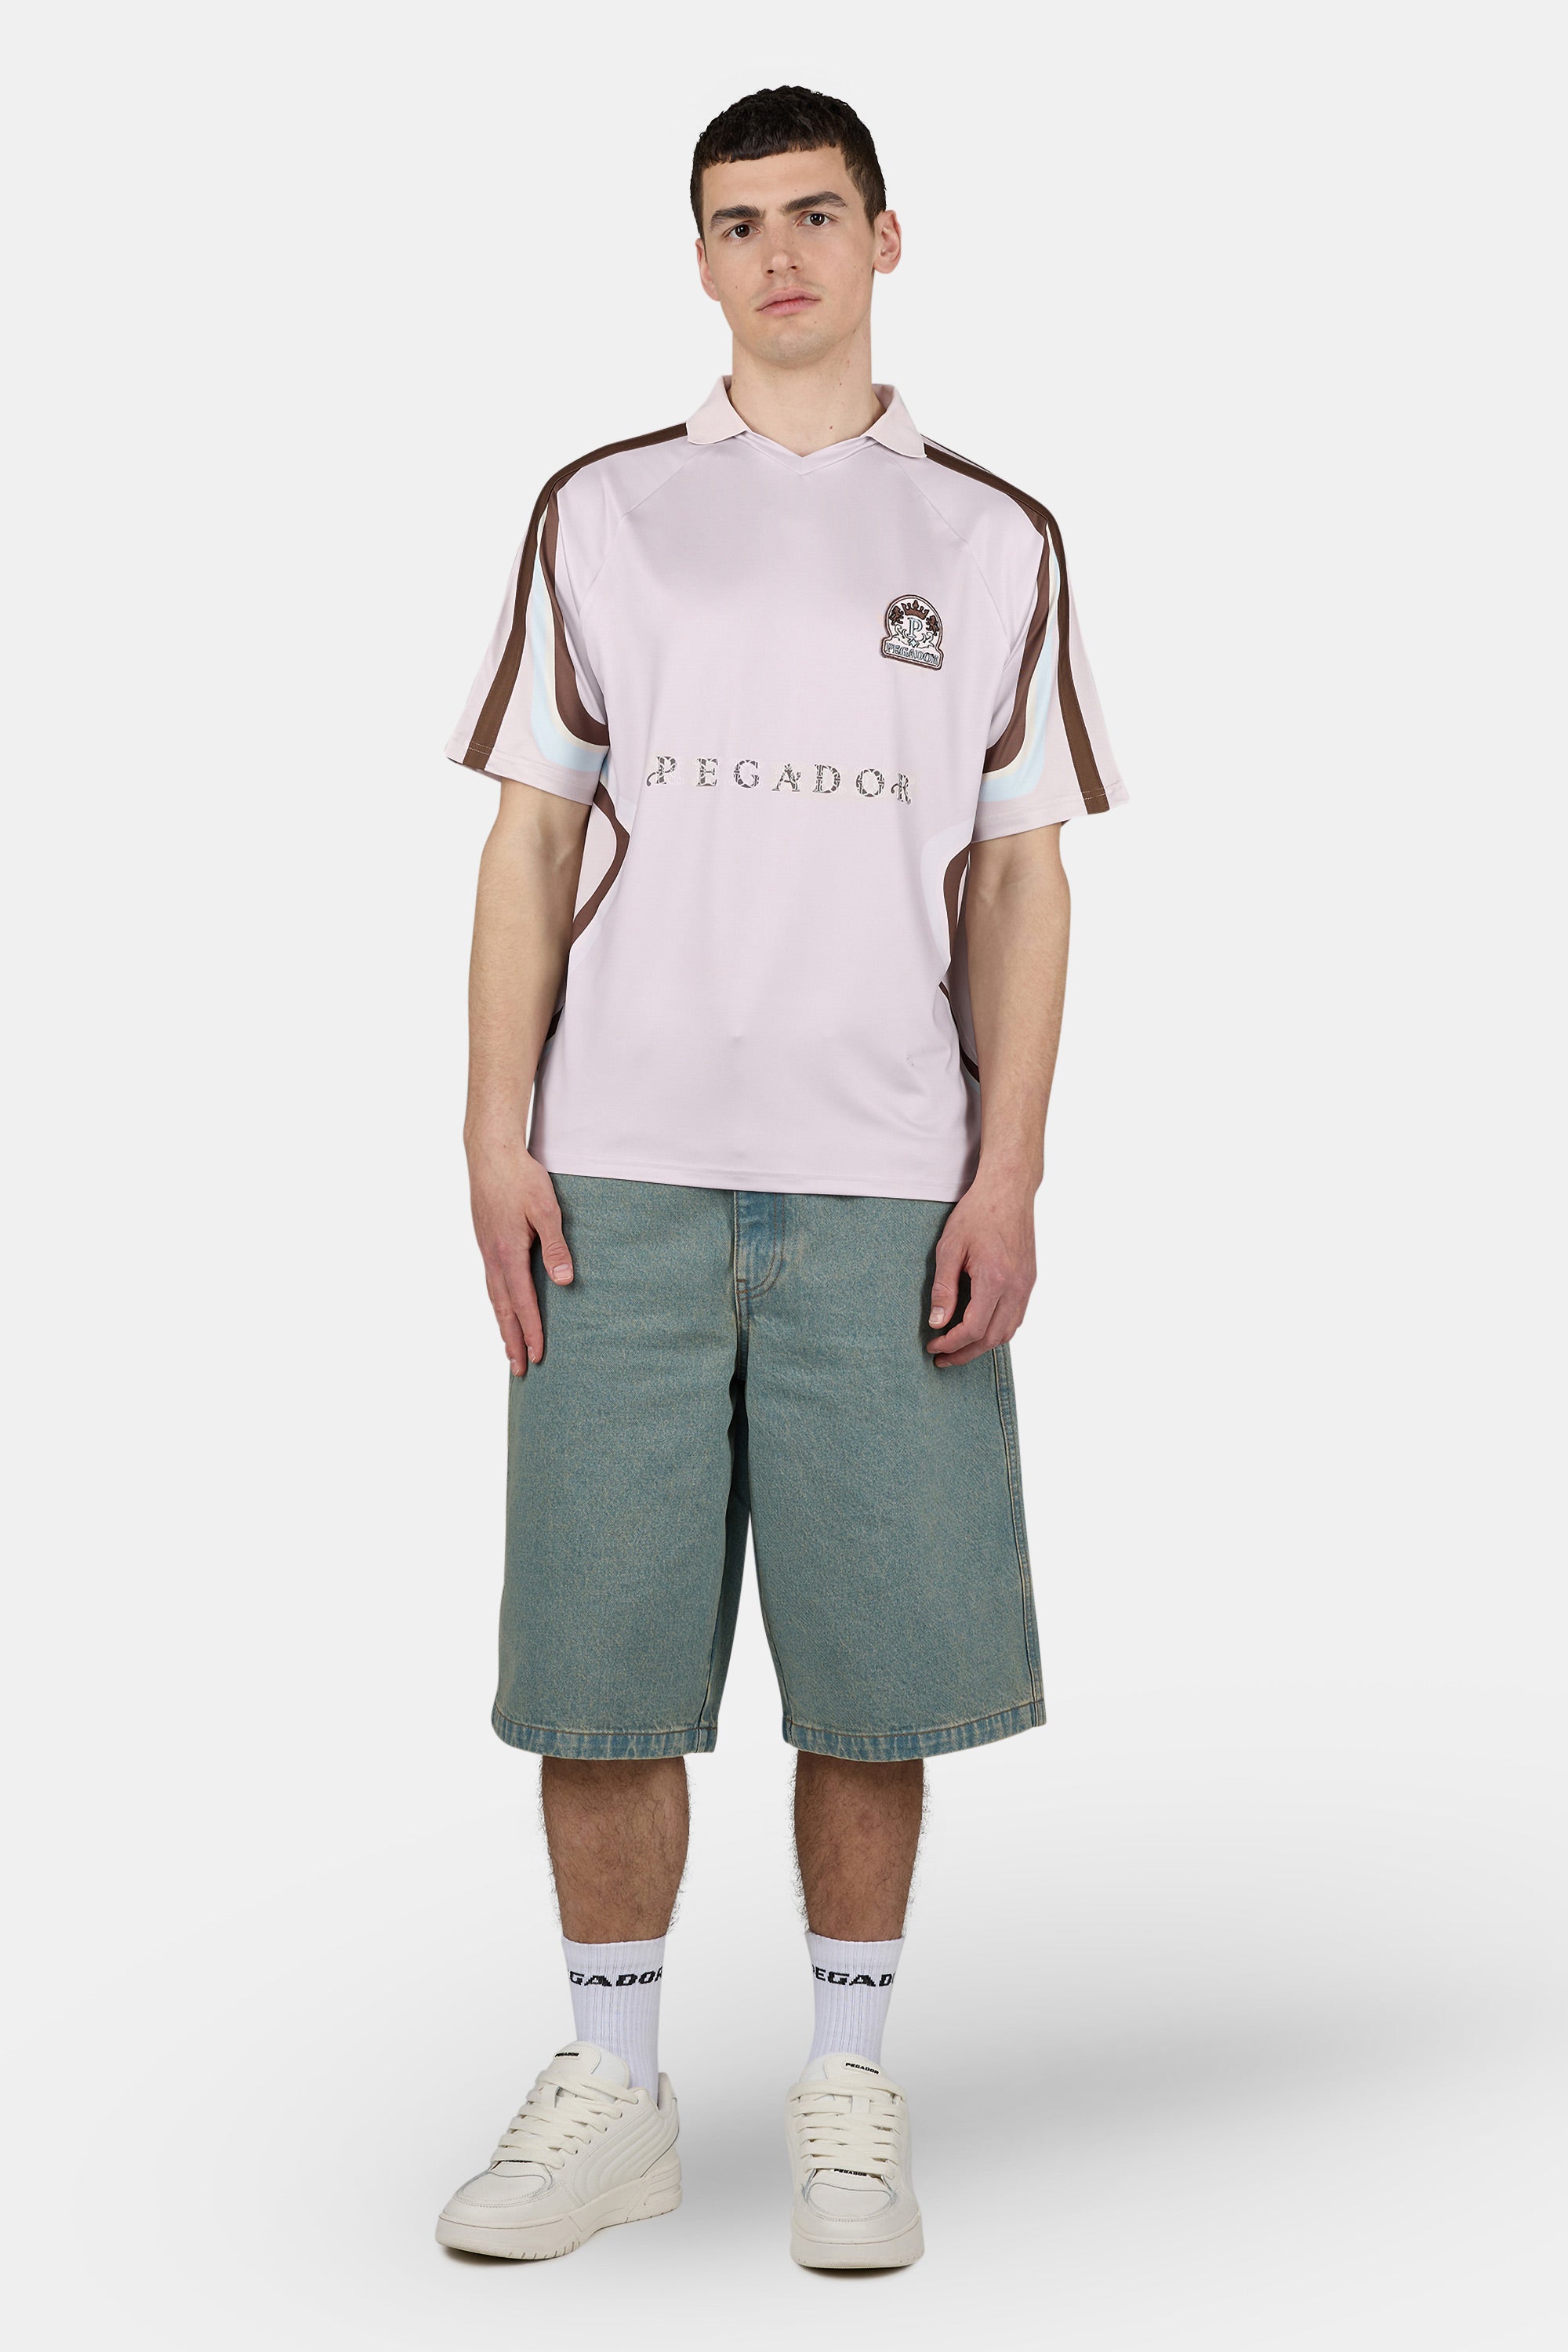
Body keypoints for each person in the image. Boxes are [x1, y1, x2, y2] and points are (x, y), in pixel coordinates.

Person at [434, 84, 1126, 2270]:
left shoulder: (989, 537)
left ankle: (849, 2085)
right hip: (618, 1168)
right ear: (702, 259)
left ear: (886, 238)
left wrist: (1009, 1171)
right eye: (739, 224)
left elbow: (1022, 881)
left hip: (885, 1179)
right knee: (600, 1660)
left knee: (872, 1668)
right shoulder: (607, 510)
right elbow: (530, 837)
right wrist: (490, 1130)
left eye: (816, 215)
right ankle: (615, 2092)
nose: (781, 257)